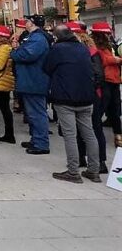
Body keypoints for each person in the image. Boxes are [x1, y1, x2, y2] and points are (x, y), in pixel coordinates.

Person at [43, 25, 101, 183]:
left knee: (70, 135)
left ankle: (73, 172)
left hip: (65, 97)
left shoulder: (57, 49)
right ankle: (94, 170)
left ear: (57, 37)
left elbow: (47, 67)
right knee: (89, 134)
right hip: (86, 96)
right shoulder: (83, 48)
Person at [10, 14, 51, 155]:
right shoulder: (33, 37)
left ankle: (41, 143)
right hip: (30, 80)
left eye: (27, 21)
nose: (25, 23)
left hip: (34, 80)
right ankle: (36, 139)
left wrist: (15, 51)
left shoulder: (38, 38)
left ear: (32, 23)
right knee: (32, 113)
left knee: (37, 113)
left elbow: (25, 55)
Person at [73, 22, 107, 173]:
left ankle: (100, 162)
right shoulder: (82, 52)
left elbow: (99, 75)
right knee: (81, 128)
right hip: (84, 94)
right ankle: (82, 157)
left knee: (94, 128)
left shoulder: (92, 53)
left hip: (92, 95)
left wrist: (88, 89)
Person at [95, 23, 122, 148]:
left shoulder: (109, 46)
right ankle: (96, 136)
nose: (109, 35)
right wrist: (115, 59)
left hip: (114, 81)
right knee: (101, 109)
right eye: (107, 33)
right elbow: (104, 60)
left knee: (115, 111)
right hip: (104, 81)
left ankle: (118, 136)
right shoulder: (96, 46)